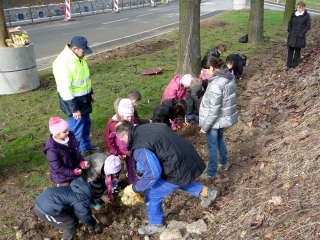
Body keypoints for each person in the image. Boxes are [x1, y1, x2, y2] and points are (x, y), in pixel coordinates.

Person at [115, 120, 219, 235]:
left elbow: (153, 174)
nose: (123, 142)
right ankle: (206, 192)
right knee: (177, 181)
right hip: (187, 157)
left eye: (122, 139)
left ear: (125, 133)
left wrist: (135, 189)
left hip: (176, 167)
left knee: (152, 193)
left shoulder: (139, 147)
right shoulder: (146, 128)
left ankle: (156, 224)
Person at [52, 35, 100, 155]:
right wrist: (74, 109)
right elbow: (64, 89)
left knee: (86, 126)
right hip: (74, 103)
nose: (85, 54)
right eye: (83, 51)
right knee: (75, 131)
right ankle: (75, 155)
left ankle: (86, 147)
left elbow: (84, 79)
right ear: (74, 49)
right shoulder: (63, 63)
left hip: (84, 100)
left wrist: (90, 93)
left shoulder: (79, 58)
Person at [199, 56, 238, 179]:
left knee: (212, 147)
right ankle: (224, 162)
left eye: (205, 70)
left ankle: (211, 173)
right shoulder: (227, 77)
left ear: (211, 68)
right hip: (222, 119)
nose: (204, 73)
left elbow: (214, 110)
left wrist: (205, 127)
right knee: (220, 140)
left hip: (213, 121)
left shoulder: (216, 84)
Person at [34, 177, 102, 240]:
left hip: (44, 199)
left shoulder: (78, 187)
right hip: (45, 210)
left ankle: (62, 226)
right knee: (69, 224)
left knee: (69, 217)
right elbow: (85, 217)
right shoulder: (82, 199)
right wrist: (94, 223)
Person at [43, 117, 89, 186]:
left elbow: (76, 153)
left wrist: (81, 162)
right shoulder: (52, 149)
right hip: (62, 176)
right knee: (66, 192)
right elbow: (57, 168)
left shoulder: (70, 137)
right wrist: (72, 172)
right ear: (57, 134)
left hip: (74, 169)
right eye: (64, 132)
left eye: (67, 130)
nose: (67, 132)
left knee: (81, 186)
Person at [104, 98, 138, 184]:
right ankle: (113, 182)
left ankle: (133, 180)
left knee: (132, 165)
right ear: (121, 115)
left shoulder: (131, 121)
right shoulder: (113, 126)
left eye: (131, 116)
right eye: (127, 116)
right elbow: (108, 140)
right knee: (116, 166)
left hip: (129, 149)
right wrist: (115, 152)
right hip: (118, 151)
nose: (130, 118)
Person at [286, 1, 311, 69]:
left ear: (302, 8)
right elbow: (290, 22)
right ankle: (289, 64)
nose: (297, 9)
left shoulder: (306, 16)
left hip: (300, 35)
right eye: (297, 7)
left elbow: (308, 25)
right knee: (290, 49)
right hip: (292, 34)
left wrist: (302, 32)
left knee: (297, 49)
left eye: (299, 8)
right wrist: (290, 30)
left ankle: (295, 64)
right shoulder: (294, 14)